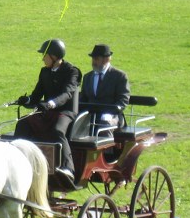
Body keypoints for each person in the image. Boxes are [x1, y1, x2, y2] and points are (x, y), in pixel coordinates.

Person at [14, 39, 80, 182]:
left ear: (54, 56)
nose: (43, 58)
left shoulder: (72, 71)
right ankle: (18, 159)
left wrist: (50, 104)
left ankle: (69, 168)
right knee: (23, 123)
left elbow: (67, 94)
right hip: (48, 111)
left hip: (66, 112)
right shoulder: (45, 72)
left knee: (58, 130)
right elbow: (37, 94)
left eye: (45, 55)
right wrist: (27, 100)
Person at [79, 44, 130, 130]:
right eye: (93, 59)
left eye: (96, 59)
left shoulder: (119, 76)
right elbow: (83, 98)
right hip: (91, 115)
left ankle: (107, 143)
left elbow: (123, 100)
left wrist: (110, 113)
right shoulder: (87, 77)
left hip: (112, 116)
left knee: (104, 124)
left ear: (107, 59)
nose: (93, 62)